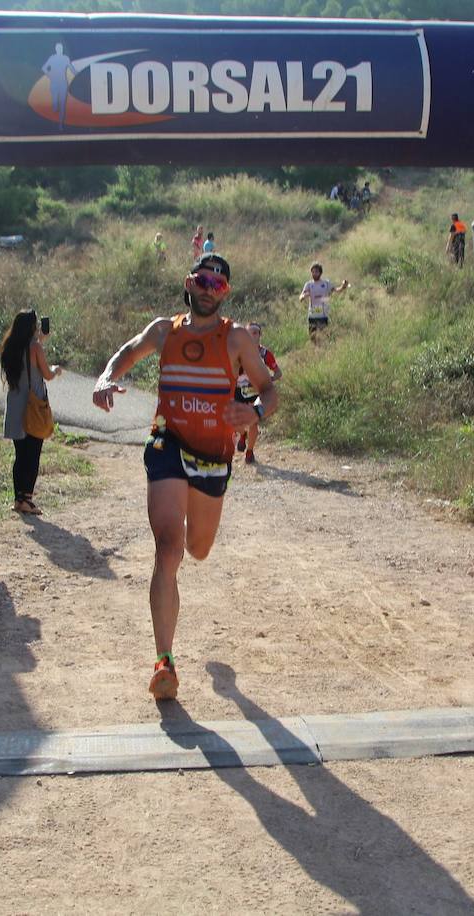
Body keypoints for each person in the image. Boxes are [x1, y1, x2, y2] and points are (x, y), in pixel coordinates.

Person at [92, 254, 278, 700]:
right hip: (167, 442)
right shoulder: (164, 330)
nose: (210, 288)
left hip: (213, 457)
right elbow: (128, 350)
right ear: (188, 284)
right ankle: (164, 662)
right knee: (168, 549)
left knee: (198, 549)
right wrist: (104, 378)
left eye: (219, 283)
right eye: (203, 279)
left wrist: (251, 410)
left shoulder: (235, 339)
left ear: (226, 292)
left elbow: (270, 390)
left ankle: (175, 646)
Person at [0, 310, 60, 516]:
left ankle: (18, 498)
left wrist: (39, 340)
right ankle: (27, 499)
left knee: (20, 455)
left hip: (16, 403)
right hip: (33, 405)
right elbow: (47, 374)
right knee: (32, 455)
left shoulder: (10, 347)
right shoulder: (35, 347)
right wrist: (56, 369)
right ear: (32, 327)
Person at [234, 323, 282, 465]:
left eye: (255, 332)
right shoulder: (237, 352)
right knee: (236, 423)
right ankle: (242, 434)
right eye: (249, 332)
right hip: (238, 390)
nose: (252, 335)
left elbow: (278, 373)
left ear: (260, 336)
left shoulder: (265, 354)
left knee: (253, 422)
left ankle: (250, 452)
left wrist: (267, 381)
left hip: (256, 392)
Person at [299, 262, 350, 342]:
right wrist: (302, 297)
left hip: (323, 315)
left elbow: (336, 290)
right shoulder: (308, 284)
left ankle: (325, 352)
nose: (314, 274)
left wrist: (343, 286)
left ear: (320, 273)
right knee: (313, 339)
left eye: (316, 272)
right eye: (312, 272)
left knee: (325, 337)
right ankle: (315, 352)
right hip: (312, 315)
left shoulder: (326, 283)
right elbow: (301, 295)